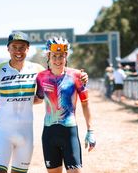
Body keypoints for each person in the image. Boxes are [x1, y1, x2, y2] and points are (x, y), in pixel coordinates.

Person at [0, 31, 89, 173]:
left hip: (26, 136)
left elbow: (59, 73)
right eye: (14, 47)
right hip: (3, 134)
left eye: (22, 47)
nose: (18, 51)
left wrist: (82, 76)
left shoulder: (37, 70)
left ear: (28, 49)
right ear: (8, 48)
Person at [34, 37, 95, 173]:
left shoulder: (77, 76)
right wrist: (12, 100)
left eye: (61, 56)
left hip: (69, 132)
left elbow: (85, 104)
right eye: (54, 56)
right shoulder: (41, 77)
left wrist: (90, 131)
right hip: (49, 133)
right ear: (48, 56)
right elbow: (38, 99)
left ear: (66, 56)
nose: (58, 60)